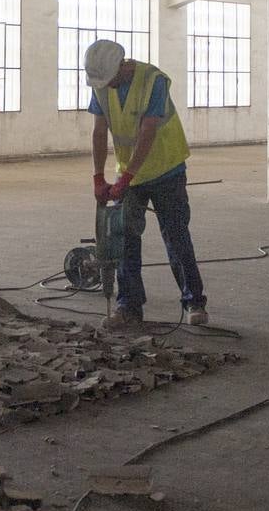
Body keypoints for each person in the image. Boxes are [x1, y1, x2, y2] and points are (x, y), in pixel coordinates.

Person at [85, 39, 208, 330]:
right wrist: (98, 176)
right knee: (124, 237)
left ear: (123, 65)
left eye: (110, 78)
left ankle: (194, 302)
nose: (107, 85)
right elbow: (99, 132)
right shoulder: (101, 86)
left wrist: (126, 178)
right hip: (130, 173)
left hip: (167, 169)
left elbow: (148, 130)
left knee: (176, 236)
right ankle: (128, 306)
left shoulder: (154, 80)